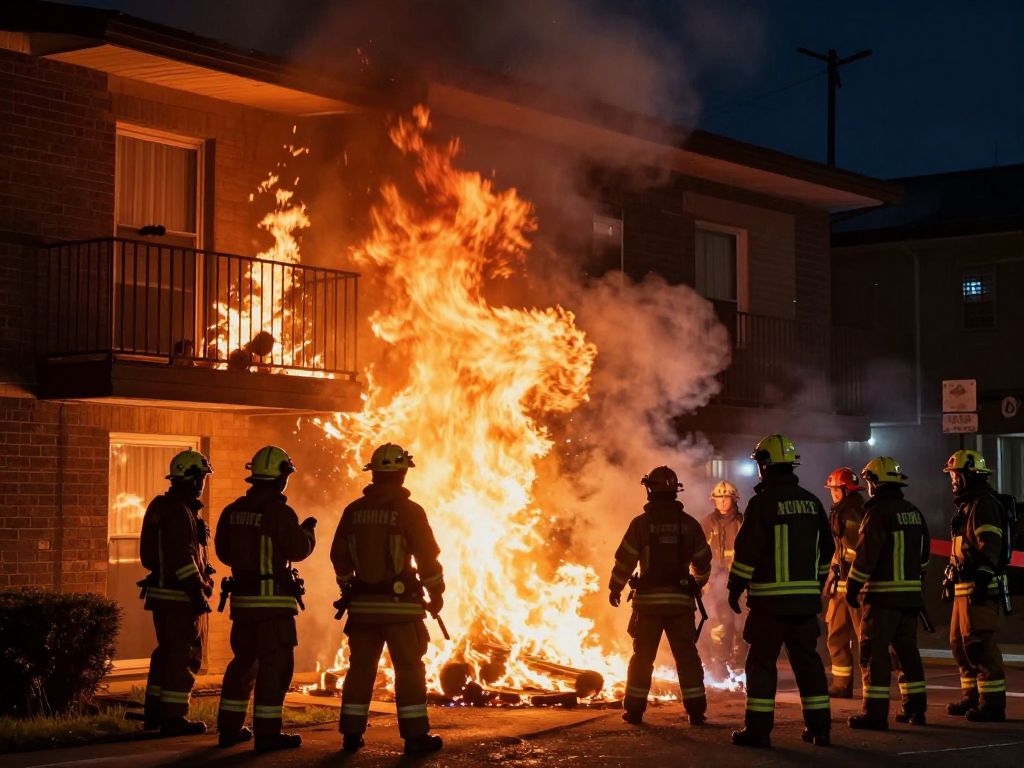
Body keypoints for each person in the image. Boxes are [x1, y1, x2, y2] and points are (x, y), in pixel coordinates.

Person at [331, 443, 445, 755]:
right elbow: (427, 557)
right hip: (400, 608)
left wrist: (348, 587)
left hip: (363, 609)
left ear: (375, 474)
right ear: (402, 473)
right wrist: (436, 593)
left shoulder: (353, 511)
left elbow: (339, 557)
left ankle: (351, 735)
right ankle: (414, 736)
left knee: (360, 670)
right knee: (408, 669)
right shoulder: (409, 511)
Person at [728, 434, 834, 749]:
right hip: (804, 605)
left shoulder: (762, 504)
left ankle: (758, 732)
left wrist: (735, 587)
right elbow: (826, 551)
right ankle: (820, 730)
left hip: (769, 606)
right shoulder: (812, 502)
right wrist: (814, 585)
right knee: (809, 665)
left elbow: (747, 550)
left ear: (765, 465)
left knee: (761, 664)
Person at [215, 446, 316, 752]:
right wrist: (307, 533)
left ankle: (229, 730)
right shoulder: (279, 512)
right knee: (275, 668)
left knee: (243, 664)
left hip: (243, 606)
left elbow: (222, 551)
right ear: (280, 477)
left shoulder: (233, 511)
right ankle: (268, 734)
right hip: (272, 606)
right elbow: (297, 549)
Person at [609, 466, 713, 725]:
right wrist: (696, 584)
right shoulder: (689, 525)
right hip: (680, 604)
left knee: (643, 658)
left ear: (650, 489)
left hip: (648, 606)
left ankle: (634, 711)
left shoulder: (641, 525)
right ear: (675, 491)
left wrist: (615, 587)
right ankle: (696, 711)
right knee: (687, 657)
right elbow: (703, 562)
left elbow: (625, 561)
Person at [844, 457, 930, 729]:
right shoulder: (914, 512)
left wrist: (853, 586)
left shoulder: (877, 513)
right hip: (910, 597)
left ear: (873, 482)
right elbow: (924, 557)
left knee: (874, 653)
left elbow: (867, 555)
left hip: (882, 598)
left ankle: (874, 714)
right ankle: (915, 709)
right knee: (907, 652)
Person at [139, 449, 215, 736]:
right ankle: (174, 718)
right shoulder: (180, 513)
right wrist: (197, 591)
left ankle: (155, 712)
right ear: (194, 479)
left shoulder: (164, 506)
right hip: (180, 597)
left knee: (166, 654)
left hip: (162, 594)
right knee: (184, 655)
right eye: (202, 478)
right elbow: (183, 558)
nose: (203, 483)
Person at [943, 449, 1009, 722]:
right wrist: (949, 575)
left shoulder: (984, 505)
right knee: (960, 645)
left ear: (970, 475)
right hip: (963, 588)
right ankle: (970, 697)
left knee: (979, 644)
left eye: (956, 475)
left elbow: (990, 544)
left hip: (979, 589)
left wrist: (982, 573)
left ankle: (992, 704)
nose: (953, 481)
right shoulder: (967, 506)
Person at [824, 467, 867, 698]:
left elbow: (859, 550)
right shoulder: (839, 512)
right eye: (831, 490)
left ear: (845, 489)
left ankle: (872, 686)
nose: (832, 493)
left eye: (835, 489)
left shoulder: (855, 513)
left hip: (857, 587)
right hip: (839, 586)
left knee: (865, 637)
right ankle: (841, 685)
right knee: (836, 636)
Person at [700, 480, 744, 676]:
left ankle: (741, 663)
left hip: (740, 582)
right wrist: (705, 580)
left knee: (741, 624)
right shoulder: (706, 524)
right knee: (718, 623)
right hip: (715, 584)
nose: (723, 502)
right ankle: (721, 663)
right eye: (719, 498)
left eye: (726, 498)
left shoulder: (743, 522)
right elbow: (699, 553)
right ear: (713, 501)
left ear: (734, 500)